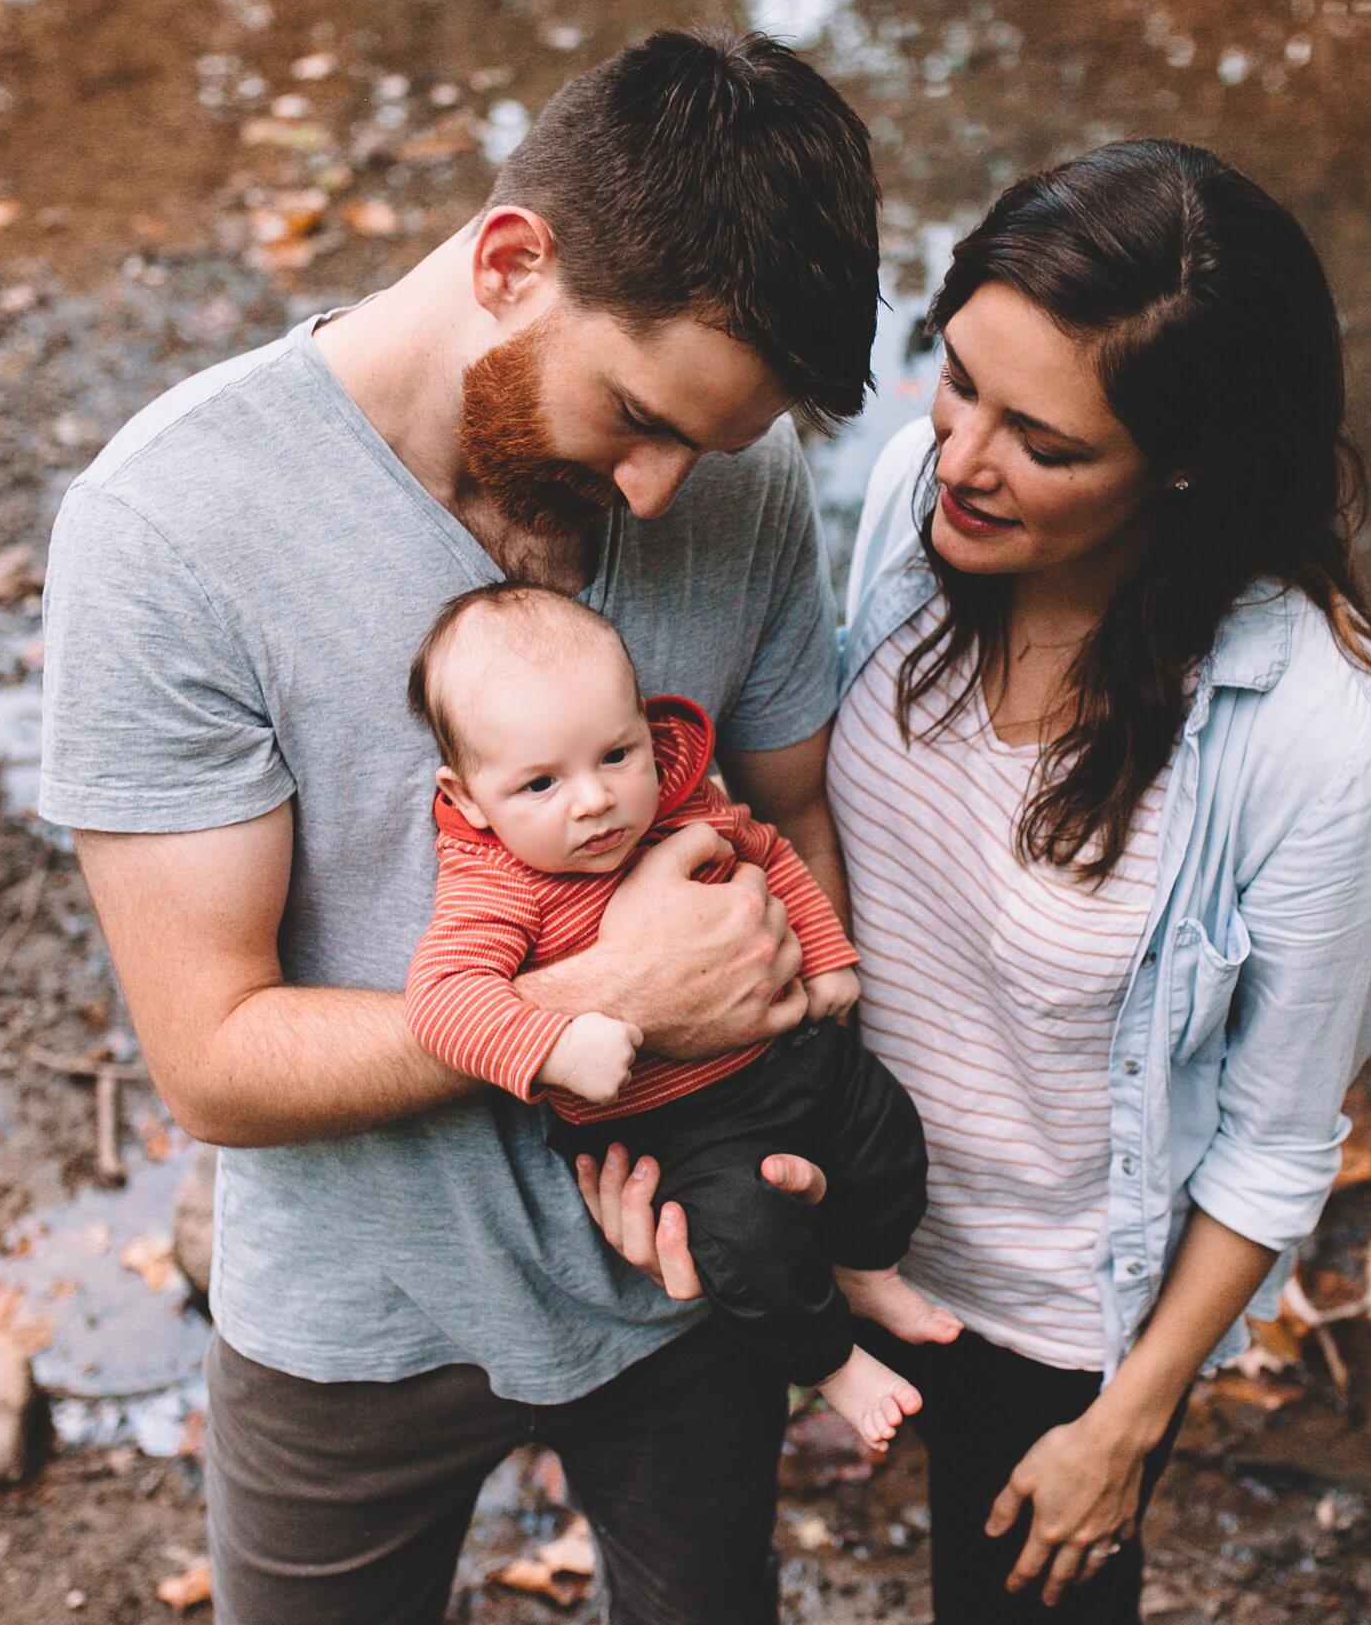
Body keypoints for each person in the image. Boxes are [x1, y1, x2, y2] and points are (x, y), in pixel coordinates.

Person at [36, 31, 880, 1625]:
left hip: (687, 1274)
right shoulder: (173, 528)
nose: (657, 493)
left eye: (709, 441)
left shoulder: (728, 485)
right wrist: (603, 1003)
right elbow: (211, 1053)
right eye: (634, 414)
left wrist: (788, 1138)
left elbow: (794, 815)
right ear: (510, 261)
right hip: (352, 1314)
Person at [589, 139, 1371, 1622]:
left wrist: (1123, 1427)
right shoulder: (924, 518)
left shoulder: (1323, 744)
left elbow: (1276, 1144)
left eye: (1045, 443)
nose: (962, 455)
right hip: (824, 1205)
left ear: (1185, 461)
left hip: (1049, 1319)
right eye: (958, 375)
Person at [401, 583, 955, 1448]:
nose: (593, 801)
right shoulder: (496, 884)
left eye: (616, 754)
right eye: (541, 782)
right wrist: (556, 1040)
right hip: (675, 1127)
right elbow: (442, 1001)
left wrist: (826, 948)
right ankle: (831, 1363)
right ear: (468, 797)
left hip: (785, 1054)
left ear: (645, 728)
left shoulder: (677, 802)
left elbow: (764, 848)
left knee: (887, 1125)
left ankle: (868, 1263)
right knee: (744, 1236)